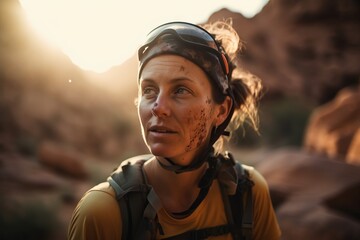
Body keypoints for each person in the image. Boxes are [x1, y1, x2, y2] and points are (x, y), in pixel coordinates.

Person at [68, 19, 281, 240]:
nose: (158, 108)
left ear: (221, 110)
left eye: (181, 90)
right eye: (149, 90)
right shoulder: (102, 213)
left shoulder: (247, 193)